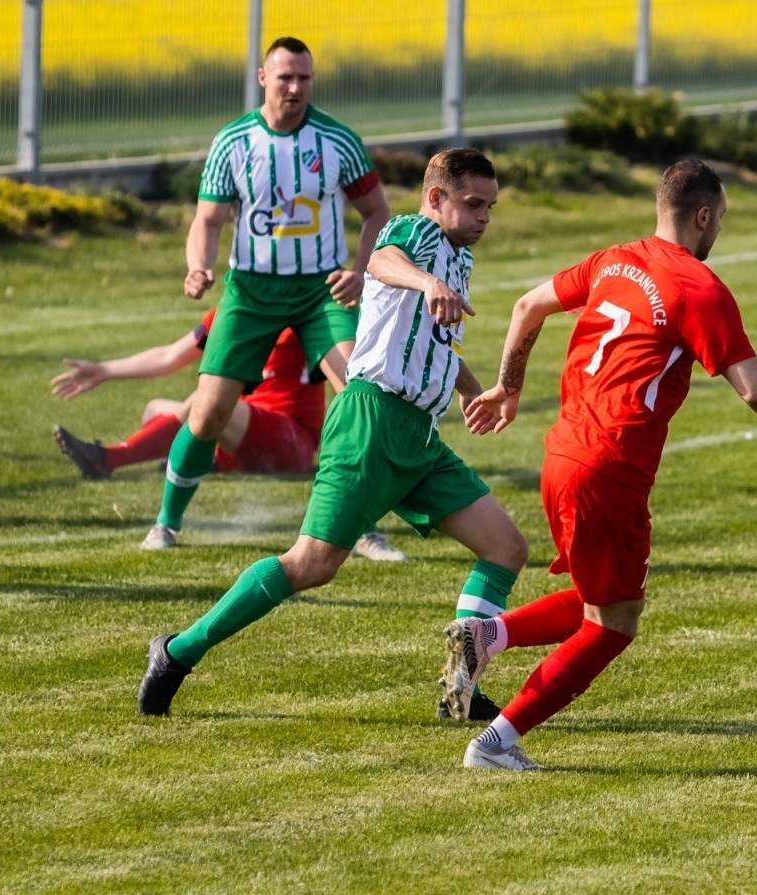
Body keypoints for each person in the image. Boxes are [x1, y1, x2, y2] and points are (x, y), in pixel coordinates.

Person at [442, 159, 757, 770]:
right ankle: (497, 741)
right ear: (703, 216)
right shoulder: (698, 288)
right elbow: (754, 389)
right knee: (613, 625)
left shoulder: (614, 260)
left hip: (561, 455)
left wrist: (508, 387)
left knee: (599, 597)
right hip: (608, 468)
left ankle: (487, 634)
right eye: (721, 220)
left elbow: (528, 306)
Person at [137, 149, 526, 719]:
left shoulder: (455, 256)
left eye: (490, 207)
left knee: (506, 548)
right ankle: (175, 652)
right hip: (370, 422)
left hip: (418, 437)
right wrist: (424, 282)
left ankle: (457, 690)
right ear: (436, 197)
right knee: (311, 564)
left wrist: (470, 386)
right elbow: (383, 262)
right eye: (472, 205)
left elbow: (428, 337)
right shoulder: (414, 231)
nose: (483, 218)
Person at [141, 35, 391, 551]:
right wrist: (197, 267)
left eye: (304, 78)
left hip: (320, 290)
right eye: (285, 77)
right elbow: (206, 221)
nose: (296, 87)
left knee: (361, 397)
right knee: (208, 411)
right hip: (249, 292)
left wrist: (361, 270)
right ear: (263, 79)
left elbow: (377, 213)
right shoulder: (233, 142)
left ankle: (363, 527)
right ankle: (165, 523)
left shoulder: (338, 141)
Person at [49, 314, 405, 561]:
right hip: (244, 429)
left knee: (205, 401)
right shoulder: (238, 305)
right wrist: (105, 370)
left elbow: (349, 371)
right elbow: (170, 355)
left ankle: (109, 459)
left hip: (290, 440)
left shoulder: (310, 307)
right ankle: (206, 460)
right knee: (156, 410)